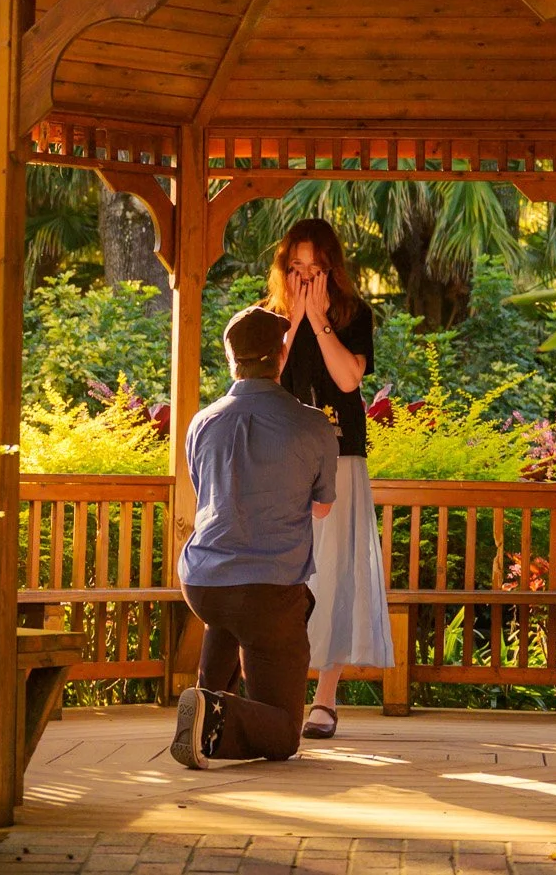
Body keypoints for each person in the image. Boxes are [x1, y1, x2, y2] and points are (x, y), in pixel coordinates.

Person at [170, 304, 338, 770]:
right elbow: (322, 506)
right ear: (281, 355)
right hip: (267, 591)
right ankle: (210, 714)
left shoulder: (201, 422)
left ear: (231, 360)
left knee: (227, 616)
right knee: (285, 732)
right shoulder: (312, 424)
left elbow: (208, 493)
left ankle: (206, 699)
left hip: (203, 583)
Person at [268, 218, 392, 739]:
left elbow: (347, 379)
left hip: (341, 455)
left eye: (312, 268)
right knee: (285, 574)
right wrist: (293, 320)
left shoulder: (353, 315)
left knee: (335, 569)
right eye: (294, 268)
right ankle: (280, 696)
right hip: (282, 457)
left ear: (331, 270)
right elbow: (263, 379)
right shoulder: (270, 317)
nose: (303, 277)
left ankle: (326, 697)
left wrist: (319, 321)